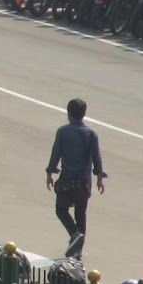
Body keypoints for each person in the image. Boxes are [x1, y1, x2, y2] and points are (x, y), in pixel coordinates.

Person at [45, 97, 107, 258]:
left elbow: (55, 154)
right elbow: (97, 157)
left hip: (66, 180)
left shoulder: (63, 132)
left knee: (61, 210)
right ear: (84, 114)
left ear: (68, 113)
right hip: (84, 184)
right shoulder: (91, 134)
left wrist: (50, 173)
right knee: (81, 214)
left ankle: (74, 236)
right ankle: (78, 249)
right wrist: (99, 178)